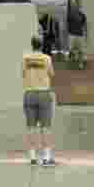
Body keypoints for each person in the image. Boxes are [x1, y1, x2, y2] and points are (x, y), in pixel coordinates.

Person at [22, 36, 56, 166]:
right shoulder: (47, 58)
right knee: (46, 127)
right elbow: (52, 74)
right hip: (43, 93)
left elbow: (23, 73)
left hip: (29, 93)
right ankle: (47, 157)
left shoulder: (25, 58)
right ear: (41, 45)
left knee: (30, 127)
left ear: (32, 45)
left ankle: (32, 157)